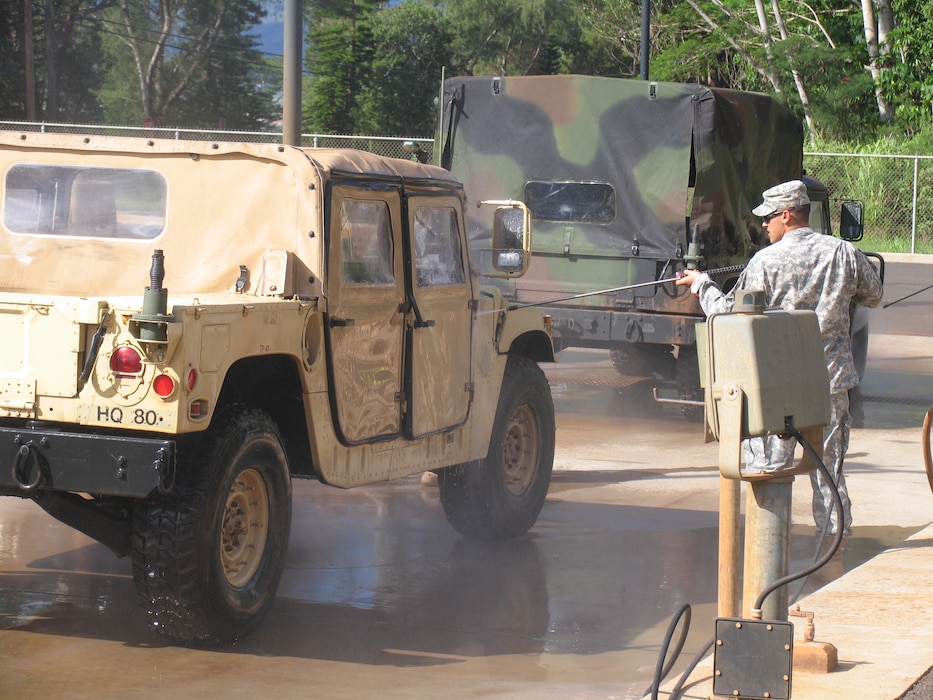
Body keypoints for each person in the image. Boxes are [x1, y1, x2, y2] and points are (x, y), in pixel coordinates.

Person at [676, 180, 883, 535]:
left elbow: (728, 313)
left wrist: (701, 284)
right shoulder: (844, 253)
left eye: (768, 218)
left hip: (777, 394)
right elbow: (874, 296)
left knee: (768, 475)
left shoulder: (764, 262)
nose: (763, 226)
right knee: (829, 475)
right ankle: (834, 551)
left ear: (786, 216)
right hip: (829, 387)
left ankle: (767, 552)